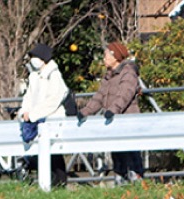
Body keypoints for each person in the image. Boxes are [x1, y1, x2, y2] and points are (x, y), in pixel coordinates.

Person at [80, 41, 145, 183]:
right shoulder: (109, 76)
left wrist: (112, 110)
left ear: (115, 57)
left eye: (106, 55)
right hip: (115, 121)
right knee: (117, 154)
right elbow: (99, 96)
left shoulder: (128, 72)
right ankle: (120, 181)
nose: (104, 59)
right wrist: (86, 111)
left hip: (128, 121)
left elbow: (125, 94)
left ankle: (137, 182)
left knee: (131, 152)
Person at [19, 43, 69, 187]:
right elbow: (28, 97)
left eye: (35, 57)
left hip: (52, 121)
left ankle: (59, 185)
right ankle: (48, 184)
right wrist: (24, 112)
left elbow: (53, 100)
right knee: (40, 154)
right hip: (37, 121)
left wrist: (33, 114)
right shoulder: (34, 76)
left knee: (54, 155)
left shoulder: (54, 75)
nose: (33, 60)